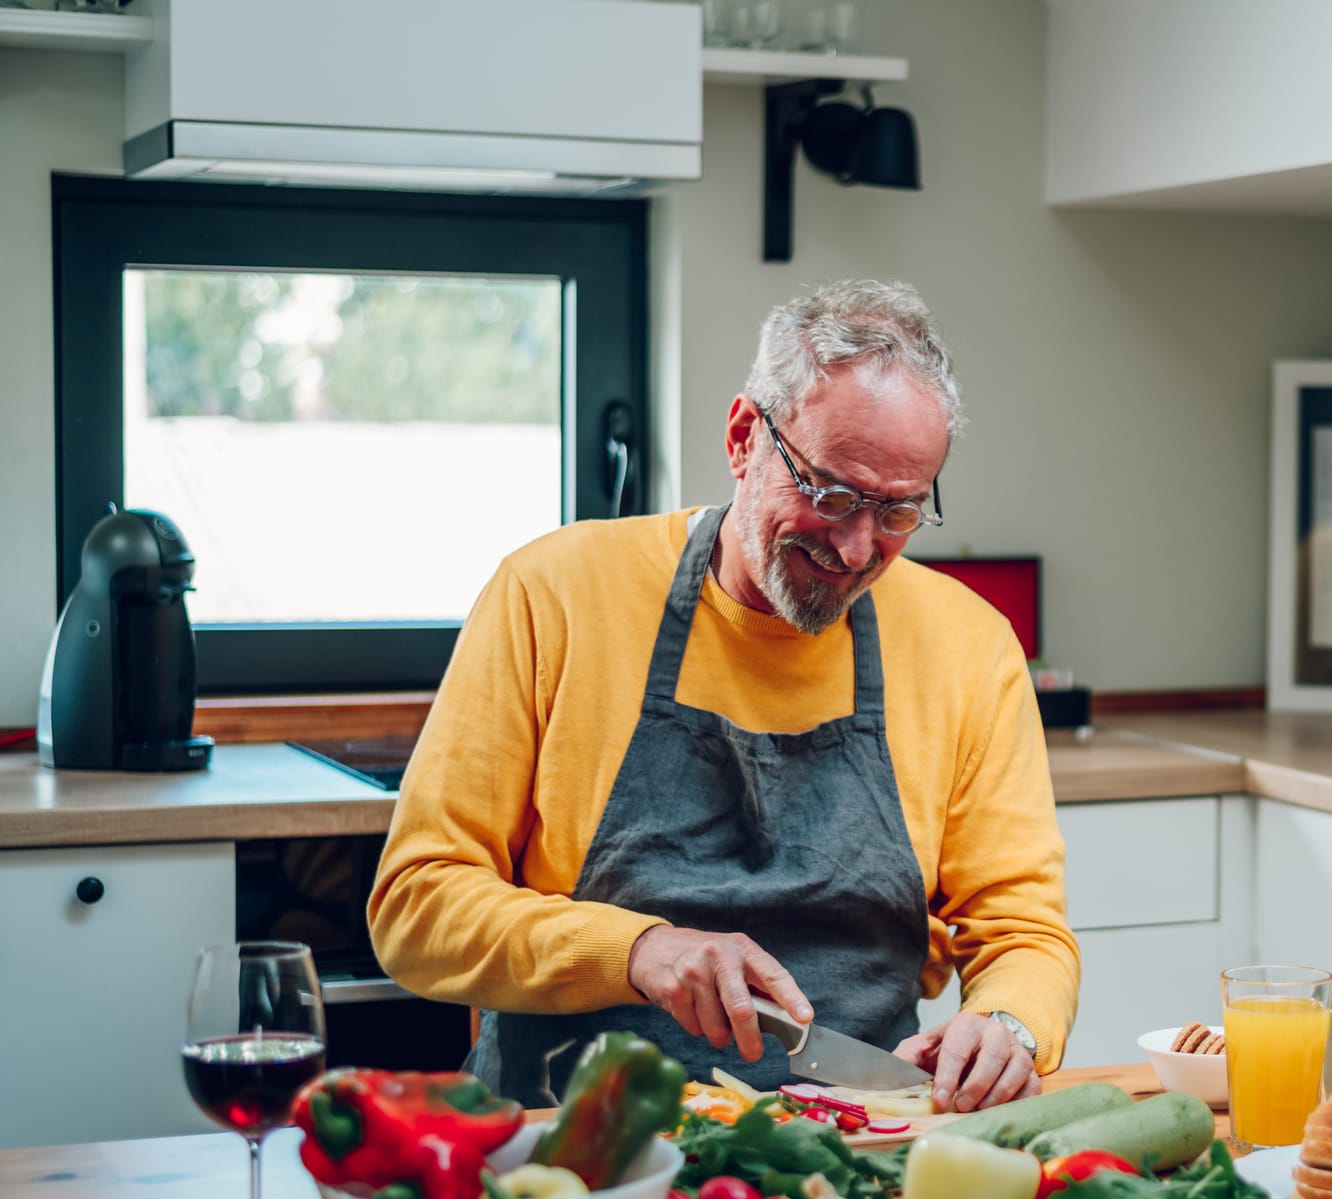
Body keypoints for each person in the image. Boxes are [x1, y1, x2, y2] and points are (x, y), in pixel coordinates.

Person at [369, 279, 1078, 1112]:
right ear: (745, 436)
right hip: (565, 1141)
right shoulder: (554, 594)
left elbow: (1023, 930)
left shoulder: (968, 644)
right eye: (830, 494)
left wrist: (1010, 1025)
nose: (855, 547)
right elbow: (417, 905)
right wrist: (638, 950)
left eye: (896, 511)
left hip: (859, 1136)